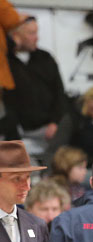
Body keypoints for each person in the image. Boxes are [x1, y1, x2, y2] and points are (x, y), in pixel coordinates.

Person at [5, 16, 69, 164]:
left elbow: (60, 93)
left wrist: (56, 122)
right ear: (16, 36)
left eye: (36, 32)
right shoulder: (6, 62)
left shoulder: (45, 58)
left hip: (47, 128)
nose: (36, 38)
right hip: (16, 130)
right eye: (31, 33)